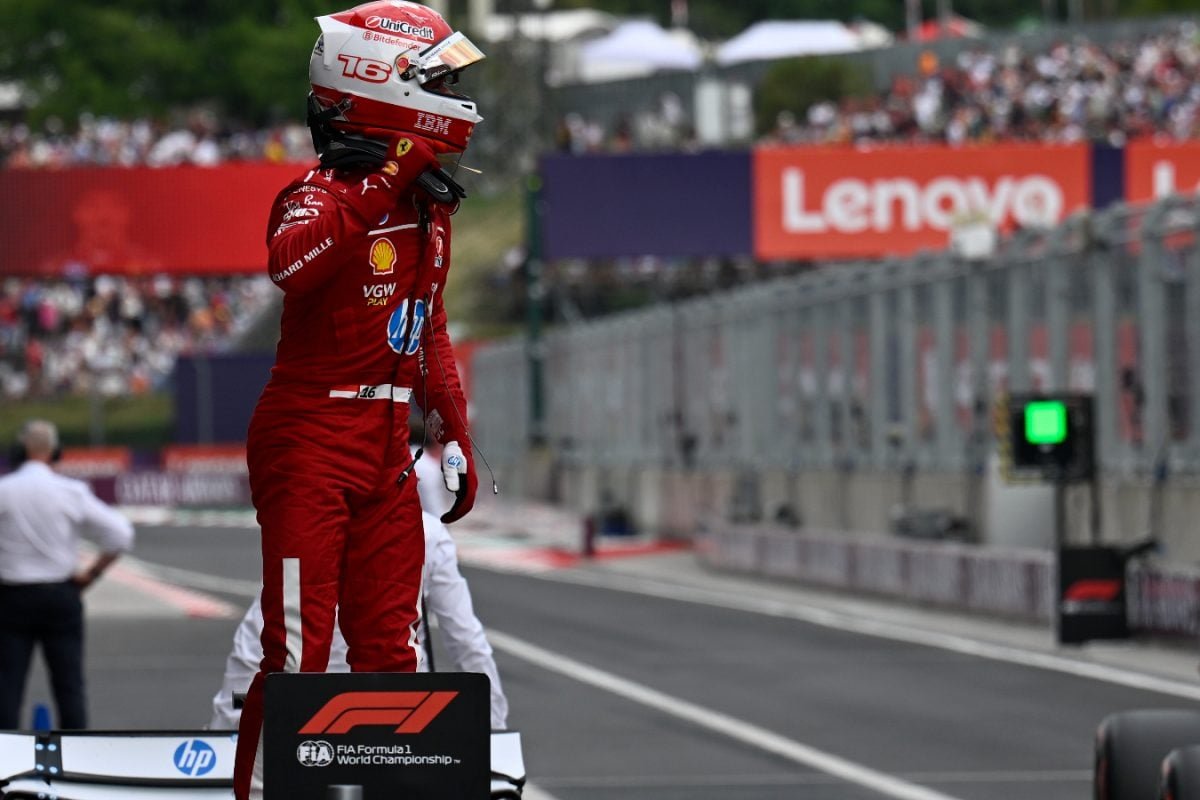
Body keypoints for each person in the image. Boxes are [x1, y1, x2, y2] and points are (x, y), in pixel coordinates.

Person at [234, 4, 487, 796]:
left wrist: (455, 428)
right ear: (378, 79)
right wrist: (382, 179)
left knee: (390, 646)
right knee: (299, 648)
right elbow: (288, 267)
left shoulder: (428, 205)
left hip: (385, 445)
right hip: (309, 434)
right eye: (436, 77)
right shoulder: (319, 192)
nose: (452, 90)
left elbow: (430, 325)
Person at [207, 510, 509, 732]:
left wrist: (226, 725)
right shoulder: (428, 531)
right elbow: (466, 639)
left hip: (308, 711)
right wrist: (494, 731)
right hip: (402, 710)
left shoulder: (308, 528)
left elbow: (262, 627)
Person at [0, 420, 135, 729]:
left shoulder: (4, 490)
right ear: (56, 453)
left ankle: (3, 761)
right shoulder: (70, 491)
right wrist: (93, 574)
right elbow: (120, 534)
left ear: (20, 451)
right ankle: (78, 759)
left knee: (7, 687)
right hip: (60, 595)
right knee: (69, 686)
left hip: (11, 597)